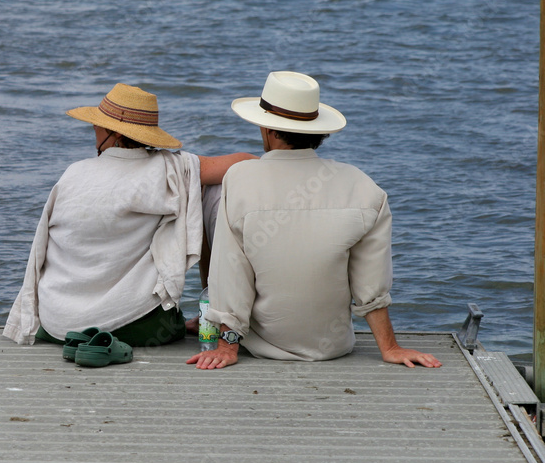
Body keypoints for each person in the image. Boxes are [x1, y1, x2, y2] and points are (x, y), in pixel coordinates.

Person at [187, 71, 441, 369]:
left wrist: (227, 347)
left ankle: (216, 326)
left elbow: (233, 274)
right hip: (334, 346)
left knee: (215, 197)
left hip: (262, 345)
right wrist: (390, 347)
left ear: (267, 129)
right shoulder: (362, 185)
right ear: (318, 130)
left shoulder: (240, 179)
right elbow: (371, 283)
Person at [4, 83, 255, 347]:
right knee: (207, 189)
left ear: (112, 133)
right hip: (136, 326)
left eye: (96, 124)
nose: (93, 129)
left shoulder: (72, 174)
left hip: (57, 325)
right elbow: (245, 163)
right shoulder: (171, 169)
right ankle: (212, 309)